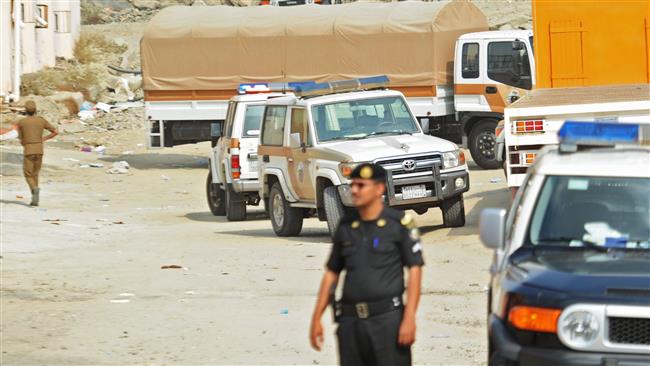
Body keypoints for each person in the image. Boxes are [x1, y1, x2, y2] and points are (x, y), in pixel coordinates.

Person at [309, 163, 424, 366]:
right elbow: (331, 273)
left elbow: (415, 270)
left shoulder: (399, 224)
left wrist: (409, 318)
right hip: (351, 323)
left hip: (387, 321)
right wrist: (316, 318)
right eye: (353, 185)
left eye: (361, 185)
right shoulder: (346, 226)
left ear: (379, 189)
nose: (354, 190)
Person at [16, 100, 58, 206]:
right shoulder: (41, 120)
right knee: (35, 174)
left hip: (28, 150)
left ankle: (34, 189)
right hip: (39, 149)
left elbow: (21, 139)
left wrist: (26, 144)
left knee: (28, 174)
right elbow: (55, 132)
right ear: (35, 110)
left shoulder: (21, 122)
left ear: (25, 110)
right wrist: (44, 138)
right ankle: (35, 199)